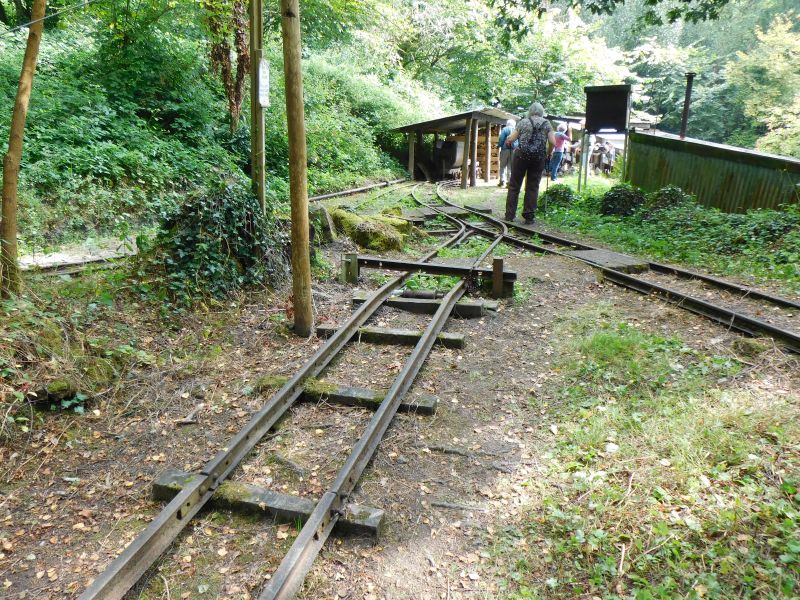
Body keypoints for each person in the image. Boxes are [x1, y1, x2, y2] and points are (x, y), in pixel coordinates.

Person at [503, 102, 556, 224]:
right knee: (532, 187)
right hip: (538, 158)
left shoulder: (523, 122)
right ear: (542, 111)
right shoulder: (546, 123)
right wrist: (549, 152)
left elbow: (511, 138)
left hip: (521, 156)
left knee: (514, 185)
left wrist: (510, 141)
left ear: (530, 111)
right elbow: (553, 142)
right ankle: (529, 216)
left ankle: (510, 215)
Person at [497, 119, 517, 187]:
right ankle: (509, 182)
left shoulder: (505, 129)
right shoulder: (516, 130)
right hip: (514, 150)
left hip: (505, 149)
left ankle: (502, 181)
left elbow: (502, 139)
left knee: (502, 165)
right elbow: (519, 140)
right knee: (510, 166)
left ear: (507, 124)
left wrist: (499, 145)